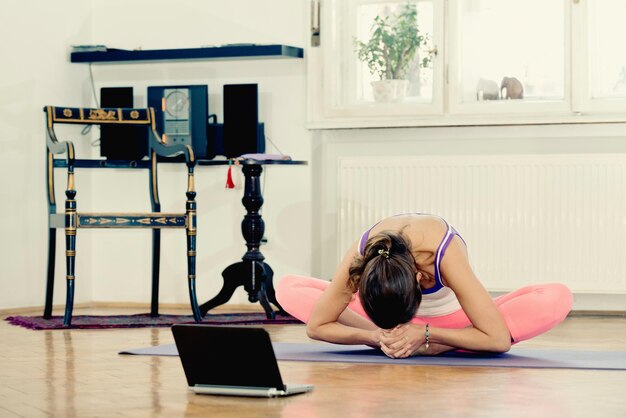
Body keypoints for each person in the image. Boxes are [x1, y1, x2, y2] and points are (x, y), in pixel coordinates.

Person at [276, 213, 572, 358]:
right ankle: (406, 340)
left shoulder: (444, 253)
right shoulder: (363, 254)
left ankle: (438, 344)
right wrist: (377, 336)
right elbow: (317, 326)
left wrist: (428, 335)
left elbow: (497, 340)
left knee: (556, 296)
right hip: (376, 324)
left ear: (419, 278)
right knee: (288, 286)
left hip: (451, 321)